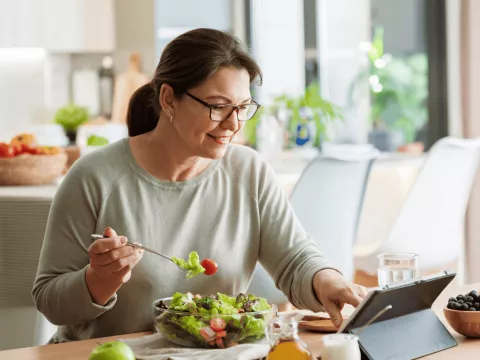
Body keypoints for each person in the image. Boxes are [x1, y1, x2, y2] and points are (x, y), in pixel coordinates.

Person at [32, 28, 367, 343]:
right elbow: (49, 300)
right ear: (168, 99)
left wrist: (328, 281)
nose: (234, 124)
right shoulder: (94, 177)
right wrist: (98, 281)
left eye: (242, 108)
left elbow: (295, 260)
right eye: (218, 107)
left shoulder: (249, 171)